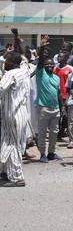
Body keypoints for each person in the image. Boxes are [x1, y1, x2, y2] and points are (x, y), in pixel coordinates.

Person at [0, 52, 31, 187]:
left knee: (12, 144)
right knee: (10, 142)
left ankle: (17, 178)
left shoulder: (11, 74)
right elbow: (24, 62)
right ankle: (6, 172)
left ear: (12, 62)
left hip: (12, 114)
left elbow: (1, 88)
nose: (4, 63)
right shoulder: (24, 72)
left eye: (6, 60)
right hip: (22, 114)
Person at [34, 36, 62, 163]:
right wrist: (43, 47)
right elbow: (40, 61)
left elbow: (58, 94)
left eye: (51, 63)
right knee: (42, 133)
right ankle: (42, 154)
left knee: (54, 133)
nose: (50, 65)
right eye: (47, 64)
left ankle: (51, 153)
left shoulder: (56, 77)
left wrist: (61, 108)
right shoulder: (40, 73)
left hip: (55, 109)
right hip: (43, 108)